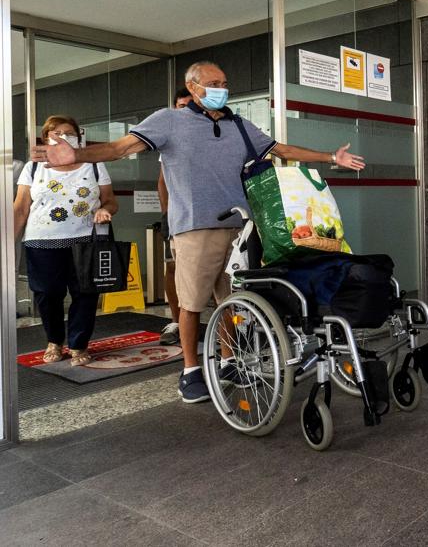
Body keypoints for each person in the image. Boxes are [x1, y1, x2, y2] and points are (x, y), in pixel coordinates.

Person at [33, 61, 365, 403]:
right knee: (191, 303)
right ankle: (190, 370)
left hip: (240, 227)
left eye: (225, 81)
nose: (222, 88)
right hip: (193, 227)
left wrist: (330, 157)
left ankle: (228, 359)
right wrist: (77, 154)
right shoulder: (169, 121)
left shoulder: (239, 125)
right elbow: (120, 148)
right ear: (192, 88)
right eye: (213, 82)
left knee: (232, 301)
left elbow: (282, 150)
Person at [13, 116, 118, 366]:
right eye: (56, 132)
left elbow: (111, 201)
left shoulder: (93, 165)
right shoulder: (34, 167)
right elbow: (20, 208)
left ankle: (79, 343)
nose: (63, 136)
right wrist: (6, 243)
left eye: (69, 133)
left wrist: (105, 211)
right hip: (42, 241)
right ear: (46, 137)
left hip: (85, 240)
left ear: (78, 137)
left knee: (85, 294)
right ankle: (54, 340)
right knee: (47, 294)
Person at [157, 87, 193, 345]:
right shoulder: (170, 140)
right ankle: (176, 321)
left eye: (190, 105)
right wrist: (167, 212)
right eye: (181, 106)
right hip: (178, 217)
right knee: (174, 268)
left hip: (215, 217)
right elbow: (162, 182)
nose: (186, 110)